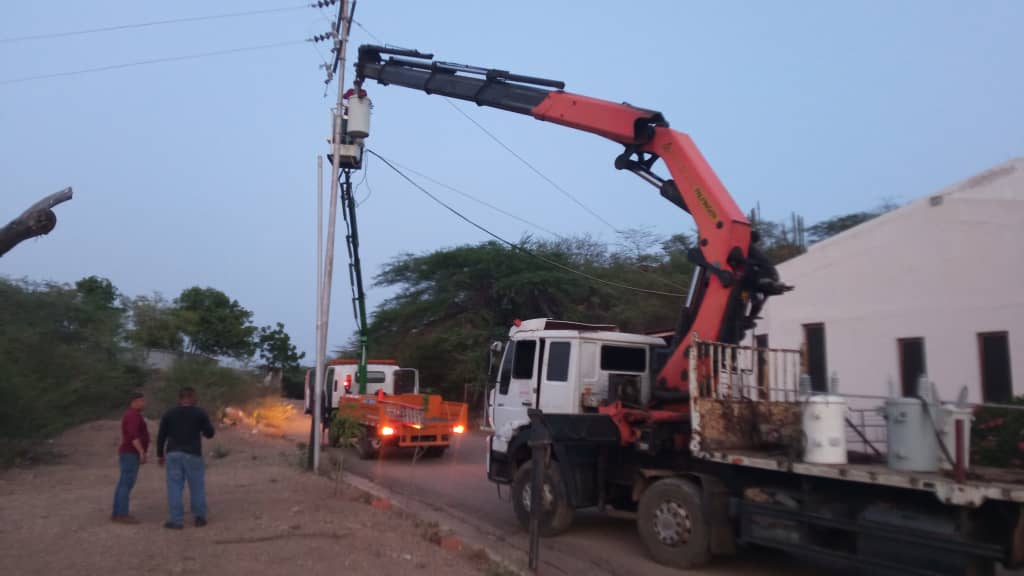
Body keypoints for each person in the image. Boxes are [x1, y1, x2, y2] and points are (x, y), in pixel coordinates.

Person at [156, 387, 215, 530]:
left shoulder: (169, 413)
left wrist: (160, 454)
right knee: (197, 487)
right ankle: (199, 518)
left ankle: (176, 521)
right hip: (193, 454)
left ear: (180, 398)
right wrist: (203, 431)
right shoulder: (200, 413)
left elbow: (161, 435)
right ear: (192, 397)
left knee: (175, 487)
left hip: (173, 453)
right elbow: (210, 433)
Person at [112, 392, 149, 524]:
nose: (143, 403)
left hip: (128, 453)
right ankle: (122, 514)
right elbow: (133, 436)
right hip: (130, 453)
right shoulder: (133, 415)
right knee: (126, 483)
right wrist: (141, 452)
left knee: (123, 483)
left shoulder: (133, 415)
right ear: (133, 402)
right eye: (141, 400)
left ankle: (117, 513)